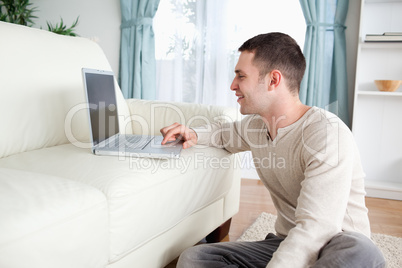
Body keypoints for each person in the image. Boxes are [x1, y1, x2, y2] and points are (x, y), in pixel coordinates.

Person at [160, 32, 385, 268]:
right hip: (287, 241)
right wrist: (193, 134)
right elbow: (224, 134)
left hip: (338, 244)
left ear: (273, 80)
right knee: (196, 257)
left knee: (357, 251)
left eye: (241, 76)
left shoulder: (326, 133)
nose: (232, 85)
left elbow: (317, 228)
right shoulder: (256, 127)